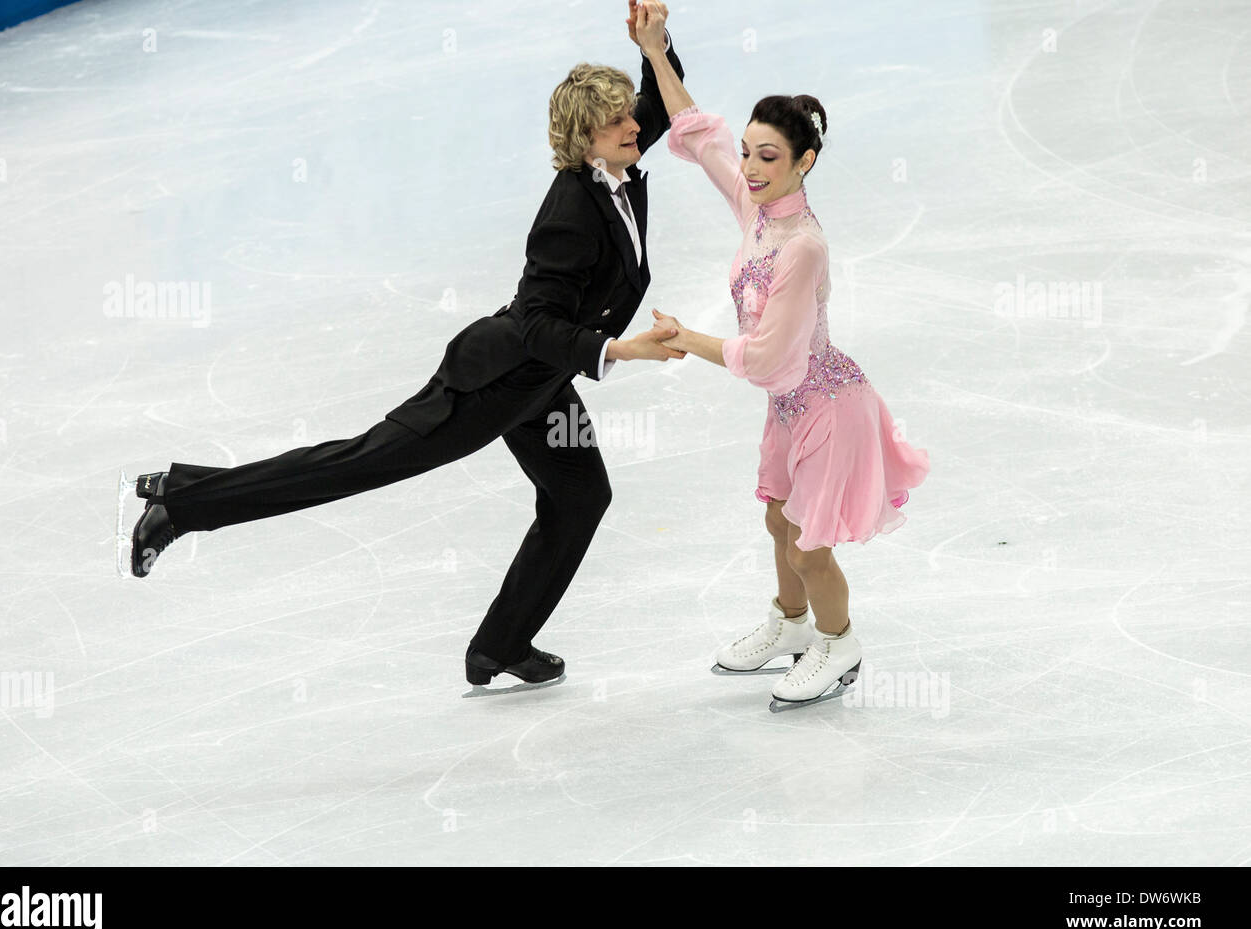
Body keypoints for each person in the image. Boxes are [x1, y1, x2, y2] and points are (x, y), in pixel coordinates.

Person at [122, 1, 687, 691]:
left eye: (629, 115)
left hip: (539, 387)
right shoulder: (570, 212)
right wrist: (622, 351)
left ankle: (500, 645)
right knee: (358, 463)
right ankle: (182, 504)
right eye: (616, 121)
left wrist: (655, 47)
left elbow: (665, 108)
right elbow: (536, 323)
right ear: (584, 138)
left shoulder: (617, 167)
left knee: (579, 496)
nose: (635, 126)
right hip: (490, 383)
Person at [636, 33, 931, 708]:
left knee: (809, 547)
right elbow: (698, 131)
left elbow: (769, 358)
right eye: (749, 153)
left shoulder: (803, 247)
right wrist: (656, 47)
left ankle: (839, 641)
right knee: (778, 521)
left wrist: (686, 337)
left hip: (828, 406)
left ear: (806, 161)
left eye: (768, 156)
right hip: (792, 408)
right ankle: (792, 626)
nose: (750, 166)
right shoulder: (758, 208)